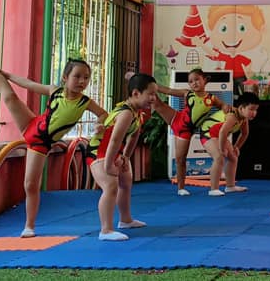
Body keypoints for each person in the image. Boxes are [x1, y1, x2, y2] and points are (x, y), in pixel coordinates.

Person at [0, 50, 107, 238]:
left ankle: (29, 226)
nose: (82, 81)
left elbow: (103, 114)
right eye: (77, 76)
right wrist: (8, 76)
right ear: (65, 78)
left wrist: (99, 125)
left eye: (86, 77)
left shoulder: (85, 102)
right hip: (31, 124)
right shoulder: (55, 91)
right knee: (9, 97)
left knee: (31, 184)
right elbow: (29, 84)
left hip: (40, 143)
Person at [86, 73, 158, 241]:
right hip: (99, 150)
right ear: (136, 93)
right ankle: (105, 230)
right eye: (150, 94)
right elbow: (115, 139)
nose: (154, 98)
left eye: (155, 94)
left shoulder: (137, 113)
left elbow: (133, 137)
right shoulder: (126, 113)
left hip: (114, 150)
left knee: (126, 181)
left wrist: (125, 156)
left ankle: (125, 220)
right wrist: (108, 164)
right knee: (110, 185)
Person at [150, 68, 228, 196]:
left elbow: (222, 105)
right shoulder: (187, 93)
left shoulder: (211, 98)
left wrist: (225, 108)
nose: (194, 83)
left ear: (205, 80)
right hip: (176, 118)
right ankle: (146, 83)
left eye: (197, 79)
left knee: (181, 159)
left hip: (185, 130)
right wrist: (154, 86)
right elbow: (168, 90)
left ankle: (181, 188)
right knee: (156, 104)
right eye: (191, 81)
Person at [198, 92, 260, 196]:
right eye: (251, 109)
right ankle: (213, 189)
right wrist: (222, 149)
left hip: (218, 135)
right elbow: (223, 132)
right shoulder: (232, 116)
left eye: (256, 110)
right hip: (207, 133)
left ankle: (230, 186)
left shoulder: (244, 118)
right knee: (219, 157)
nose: (254, 113)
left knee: (233, 157)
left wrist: (236, 147)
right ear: (241, 108)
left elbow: (244, 134)